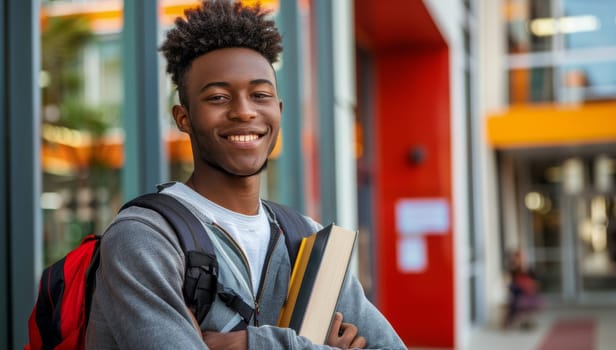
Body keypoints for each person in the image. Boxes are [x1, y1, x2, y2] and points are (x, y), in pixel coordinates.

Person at [85, 1, 406, 349]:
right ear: (183, 117)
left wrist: (245, 343)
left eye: (260, 95)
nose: (244, 111)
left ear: (278, 110)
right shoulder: (145, 238)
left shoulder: (307, 240)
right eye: (219, 97)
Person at [503, 250, 542, 329]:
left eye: (521, 258)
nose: (520, 260)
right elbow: (510, 284)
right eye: (517, 258)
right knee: (515, 301)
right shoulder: (513, 269)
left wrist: (529, 285)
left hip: (528, 293)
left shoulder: (528, 269)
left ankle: (524, 322)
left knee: (521, 301)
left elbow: (536, 282)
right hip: (518, 293)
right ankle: (515, 321)